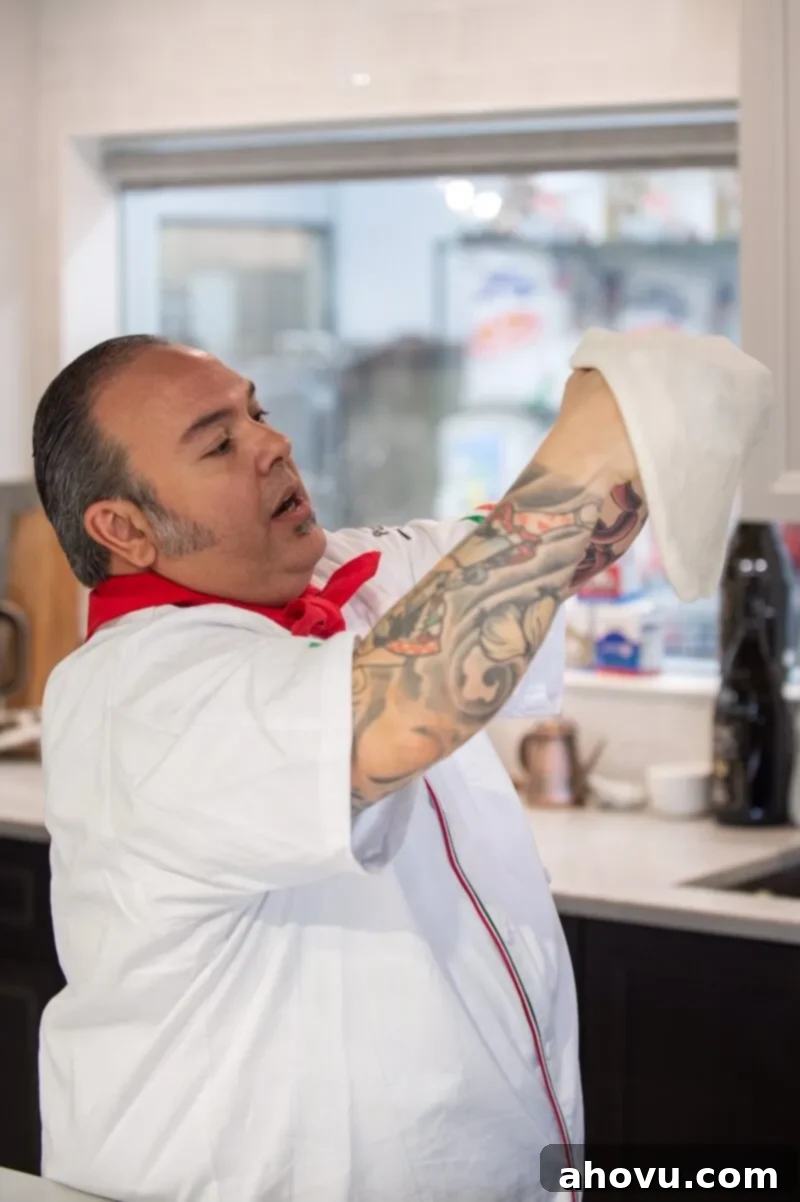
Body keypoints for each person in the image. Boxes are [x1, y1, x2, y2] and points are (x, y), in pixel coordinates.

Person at [33, 335, 647, 1202]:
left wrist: (645, 404)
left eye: (257, 413)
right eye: (218, 442)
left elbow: (547, 551)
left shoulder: (337, 572)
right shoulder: (137, 694)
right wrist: (590, 431)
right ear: (124, 528)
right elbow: (408, 703)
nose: (270, 443)